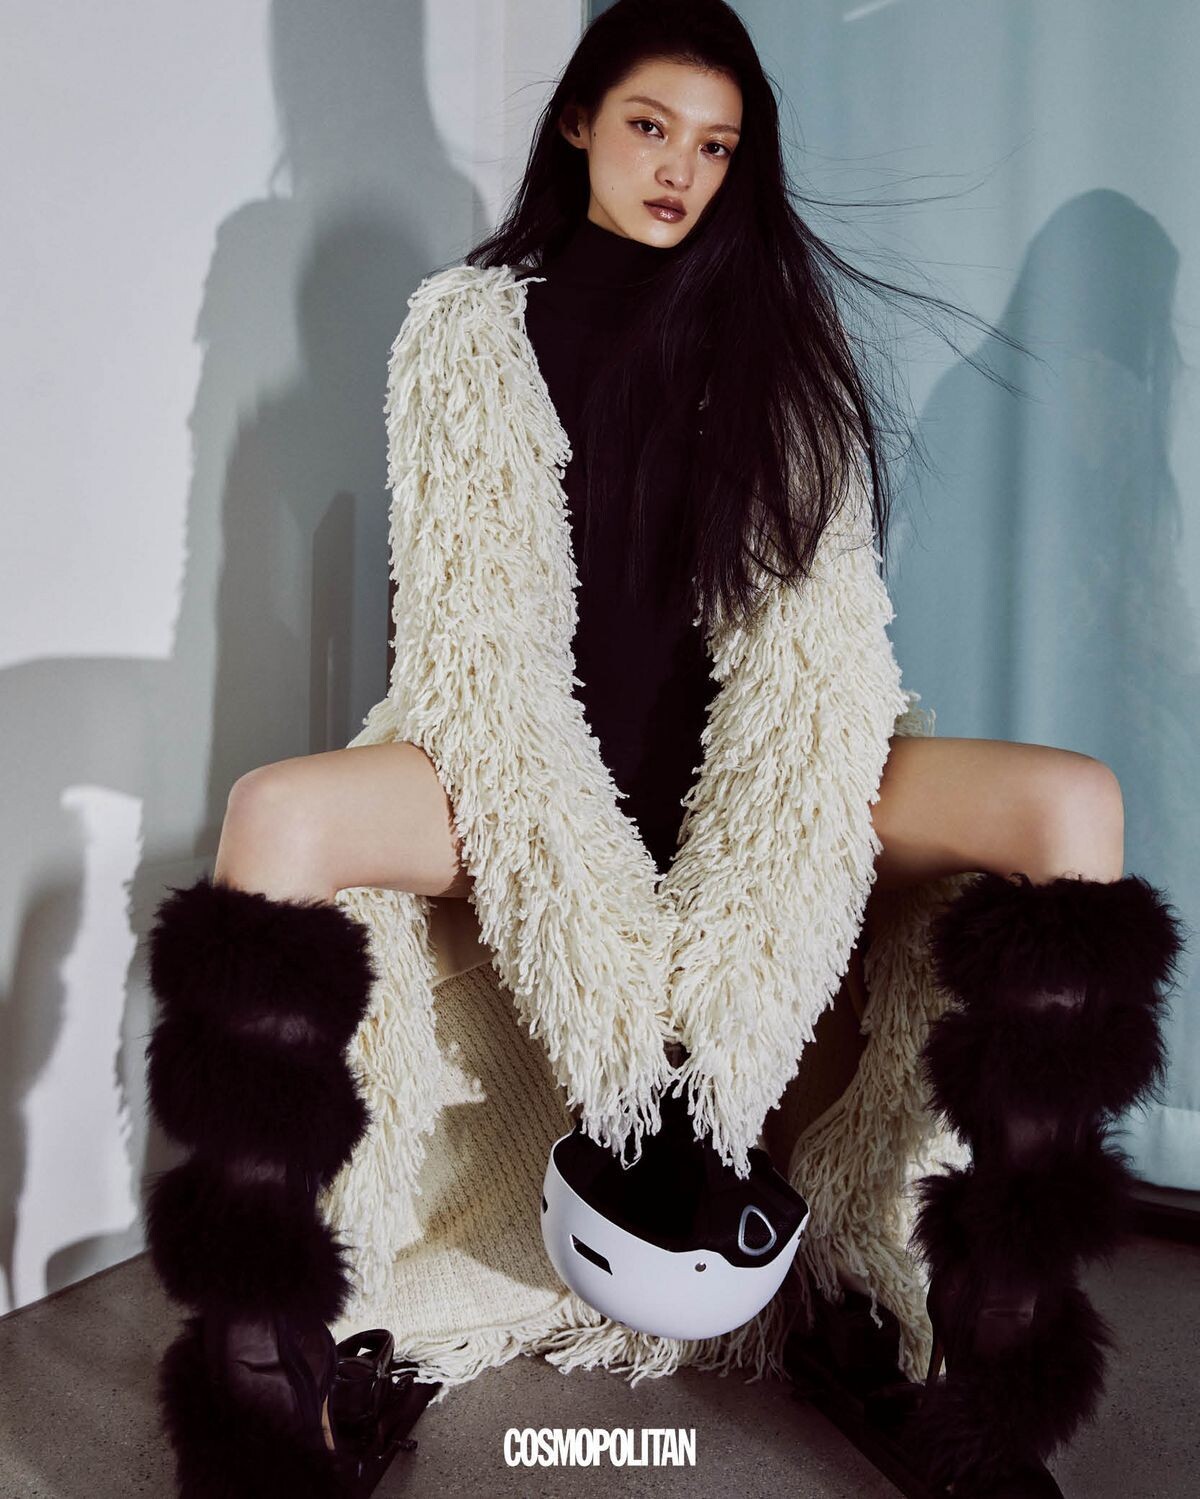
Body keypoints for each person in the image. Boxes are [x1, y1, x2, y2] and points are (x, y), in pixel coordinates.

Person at [141, 2, 1186, 1496]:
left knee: (1071, 804)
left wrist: (774, 851)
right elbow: (474, 648)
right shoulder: (467, 328)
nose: (680, 170)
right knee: (277, 816)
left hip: (760, 781)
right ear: (578, 121)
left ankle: (973, 1337)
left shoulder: (780, 343)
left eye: (716, 145)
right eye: (650, 127)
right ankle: (271, 1381)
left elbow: (825, 653)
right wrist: (583, 894)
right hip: (522, 763)